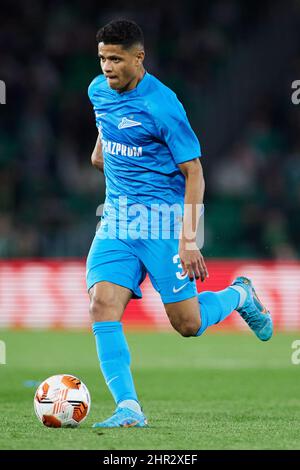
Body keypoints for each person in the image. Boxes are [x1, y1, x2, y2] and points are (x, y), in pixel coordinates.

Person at [86, 19, 273, 428]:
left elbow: (195, 172)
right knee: (102, 304)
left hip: (162, 226)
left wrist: (189, 241)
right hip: (117, 221)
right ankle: (129, 408)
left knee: (187, 324)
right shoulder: (97, 90)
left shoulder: (163, 105)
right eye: (102, 58)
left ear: (139, 58)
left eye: (115, 59)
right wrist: (103, 153)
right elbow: (104, 136)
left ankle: (240, 295)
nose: (107, 67)